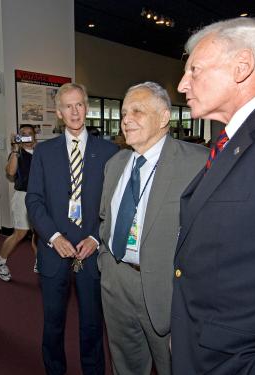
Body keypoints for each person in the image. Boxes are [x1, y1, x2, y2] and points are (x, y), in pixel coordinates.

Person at [172, 17, 255, 374]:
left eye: (194, 70)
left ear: (242, 67)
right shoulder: (232, 140)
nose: (183, 84)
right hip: (203, 350)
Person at [97, 82, 208, 375]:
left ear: (163, 118)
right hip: (116, 281)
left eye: (137, 111)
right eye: (123, 112)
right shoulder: (115, 163)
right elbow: (105, 220)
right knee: (126, 364)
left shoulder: (196, 163)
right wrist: (106, 266)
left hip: (166, 290)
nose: (126, 119)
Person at [26, 82, 118, 375]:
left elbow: (114, 202)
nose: (75, 111)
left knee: (92, 322)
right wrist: (53, 237)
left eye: (79, 104)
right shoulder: (44, 151)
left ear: (86, 106)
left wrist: (95, 236)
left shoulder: (110, 152)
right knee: (53, 321)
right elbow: (35, 200)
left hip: (91, 250)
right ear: (59, 112)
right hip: (55, 250)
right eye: (68, 106)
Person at [0, 124, 38, 281]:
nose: (26, 137)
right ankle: (1, 261)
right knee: (20, 233)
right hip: (22, 196)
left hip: (40, 197)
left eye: (29, 134)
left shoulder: (41, 152)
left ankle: (39, 260)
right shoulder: (17, 153)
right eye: (23, 134)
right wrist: (14, 149)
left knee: (39, 233)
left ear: (34, 136)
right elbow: (10, 172)